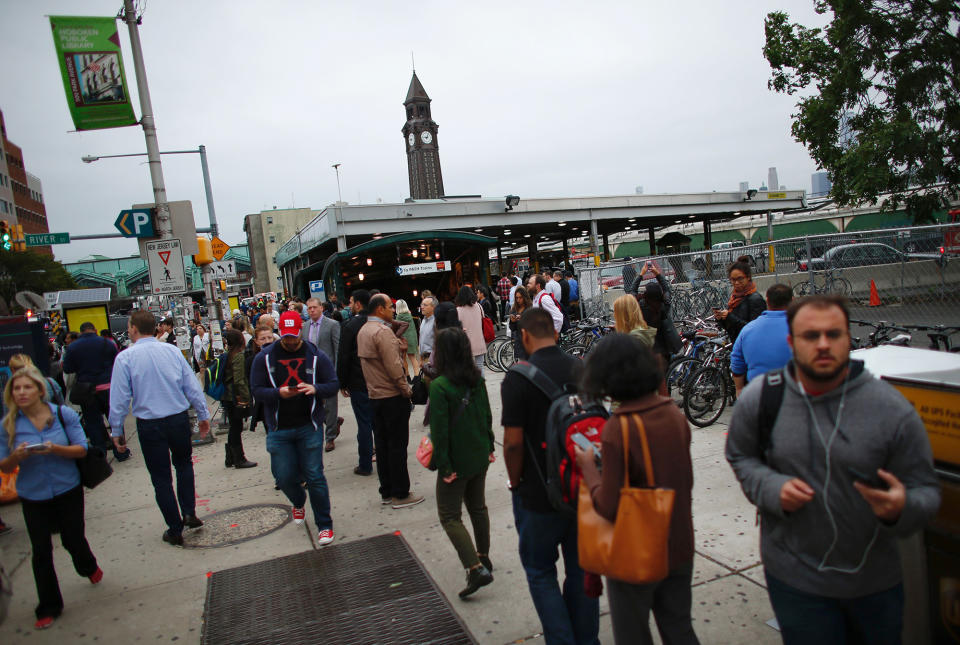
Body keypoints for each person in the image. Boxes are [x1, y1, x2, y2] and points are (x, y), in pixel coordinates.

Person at [725, 295, 940, 643]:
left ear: (848, 338)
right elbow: (740, 456)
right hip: (796, 583)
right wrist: (770, 487)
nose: (823, 344)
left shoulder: (890, 408)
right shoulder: (762, 399)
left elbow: (927, 490)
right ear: (792, 342)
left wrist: (903, 507)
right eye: (811, 336)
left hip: (876, 587)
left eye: (833, 334)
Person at [574, 335, 699, 645]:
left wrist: (589, 468)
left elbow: (608, 505)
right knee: (679, 627)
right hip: (679, 541)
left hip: (638, 549)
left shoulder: (620, 428)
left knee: (632, 634)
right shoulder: (674, 415)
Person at [500, 308, 599, 645]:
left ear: (525, 336)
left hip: (538, 494)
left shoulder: (517, 377)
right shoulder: (581, 367)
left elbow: (513, 444)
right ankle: (587, 639)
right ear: (554, 333)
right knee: (581, 569)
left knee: (541, 572)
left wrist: (516, 483)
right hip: (581, 488)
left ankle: (561, 639)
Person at [0, 366, 103, 630]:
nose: (21, 392)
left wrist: (54, 448)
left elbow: (81, 449)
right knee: (41, 551)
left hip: (67, 488)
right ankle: (48, 605)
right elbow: (4, 466)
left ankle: (87, 565)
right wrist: (17, 457)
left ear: (39, 390)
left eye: (27, 387)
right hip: (33, 495)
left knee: (73, 538)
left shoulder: (62, 414)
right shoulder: (9, 425)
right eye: (16, 388)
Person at [108, 311, 211, 547]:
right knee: (184, 464)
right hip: (176, 418)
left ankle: (174, 528)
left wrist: (117, 431)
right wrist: (203, 414)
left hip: (150, 424)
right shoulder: (172, 351)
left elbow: (120, 399)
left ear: (133, 329)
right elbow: (192, 386)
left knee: (160, 477)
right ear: (154, 328)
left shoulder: (125, 358)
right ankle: (188, 512)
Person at [250, 311, 340, 546]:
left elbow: (332, 384)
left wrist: (315, 388)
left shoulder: (315, 355)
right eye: (286, 336)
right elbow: (257, 390)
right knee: (284, 476)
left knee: (315, 476)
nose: (290, 341)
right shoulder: (265, 358)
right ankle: (298, 501)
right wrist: (277, 393)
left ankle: (324, 524)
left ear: (301, 330)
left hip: (308, 425)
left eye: (294, 336)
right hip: (279, 428)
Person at [429, 328, 496, 598]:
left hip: (456, 462)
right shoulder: (476, 379)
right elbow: (486, 416)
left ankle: (474, 567)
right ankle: (483, 556)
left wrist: (444, 467)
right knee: (478, 507)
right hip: (479, 454)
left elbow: (440, 433)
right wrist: (490, 446)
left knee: (449, 516)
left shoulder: (439, 386)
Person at [357, 294, 424, 509]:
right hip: (392, 396)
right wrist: (406, 389)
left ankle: (386, 490)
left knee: (384, 446)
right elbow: (394, 367)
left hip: (375, 396)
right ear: (379, 310)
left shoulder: (364, 331)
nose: (392, 310)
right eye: (389, 307)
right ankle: (400, 493)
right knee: (397, 447)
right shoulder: (382, 332)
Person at [62, 321, 130, 462]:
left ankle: (100, 453)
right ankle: (121, 451)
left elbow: (68, 368)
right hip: (107, 388)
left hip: (87, 391)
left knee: (93, 423)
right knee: (115, 421)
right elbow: (117, 363)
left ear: (81, 332)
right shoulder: (107, 343)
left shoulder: (73, 347)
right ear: (95, 330)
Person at [337, 290, 376, 476]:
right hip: (379, 381)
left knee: (364, 424)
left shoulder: (350, 326)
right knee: (380, 422)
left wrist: (342, 382)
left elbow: (343, 355)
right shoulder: (378, 323)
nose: (349, 305)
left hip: (358, 382)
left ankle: (365, 464)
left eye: (351, 302)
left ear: (358, 304)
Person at [730, 284, 793, 397]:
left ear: (767, 301)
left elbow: (736, 362)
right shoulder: (801, 327)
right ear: (792, 300)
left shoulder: (748, 330)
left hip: (758, 394)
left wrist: (739, 389)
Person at [300, 297, 343, 453]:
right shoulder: (304, 327)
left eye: (314, 307)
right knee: (316, 403)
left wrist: (337, 371)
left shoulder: (332, 325)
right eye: (309, 308)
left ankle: (330, 437)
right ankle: (333, 422)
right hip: (311, 371)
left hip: (328, 370)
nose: (311, 310)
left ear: (321, 308)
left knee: (330, 404)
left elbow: (337, 348)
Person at [638, 262, 681, 392]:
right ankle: (666, 396)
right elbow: (667, 289)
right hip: (664, 348)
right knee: (665, 376)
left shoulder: (641, 307)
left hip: (647, 348)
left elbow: (631, 291)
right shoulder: (663, 307)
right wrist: (658, 274)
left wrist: (641, 274)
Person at [220, 329, 257, 469]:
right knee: (237, 427)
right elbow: (239, 380)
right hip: (235, 396)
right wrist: (246, 398)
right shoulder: (238, 356)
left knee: (233, 426)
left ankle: (230, 457)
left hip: (227, 396)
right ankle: (239, 458)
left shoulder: (227, 355)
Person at [713, 256, 766, 342]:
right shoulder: (734, 298)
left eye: (740, 279)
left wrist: (730, 317)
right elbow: (732, 329)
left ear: (748, 277)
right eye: (733, 280)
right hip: (737, 345)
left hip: (750, 346)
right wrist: (721, 318)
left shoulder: (755, 299)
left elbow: (755, 329)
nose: (736, 283)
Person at [245, 322, 275, 434]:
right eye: (262, 339)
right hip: (265, 404)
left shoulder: (281, 356)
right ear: (256, 342)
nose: (267, 341)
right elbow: (251, 385)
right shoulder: (252, 361)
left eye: (269, 338)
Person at [455, 285, 487, 371]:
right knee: (480, 366)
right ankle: (481, 384)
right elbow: (483, 319)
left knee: (467, 368)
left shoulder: (458, 310)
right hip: (479, 340)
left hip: (465, 344)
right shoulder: (479, 306)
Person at [395, 299, 421, 376]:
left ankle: (407, 375)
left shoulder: (398, 317)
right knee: (413, 358)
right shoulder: (409, 315)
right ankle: (417, 376)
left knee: (403, 358)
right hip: (412, 339)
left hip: (403, 340)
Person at [508, 286, 532, 361]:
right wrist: (512, 321)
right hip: (519, 341)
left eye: (520, 297)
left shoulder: (530, 307)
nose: (518, 300)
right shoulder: (514, 308)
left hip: (529, 341)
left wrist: (523, 319)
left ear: (525, 297)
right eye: (516, 298)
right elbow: (512, 328)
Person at [418, 296, 437, 362]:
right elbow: (421, 340)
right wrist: (421, 359)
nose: (422, 307)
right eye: (422, 304)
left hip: (432, 359)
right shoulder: (423, 320)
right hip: (424, 359)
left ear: (433, 307)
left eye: (425, 305)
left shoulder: (437, 322)